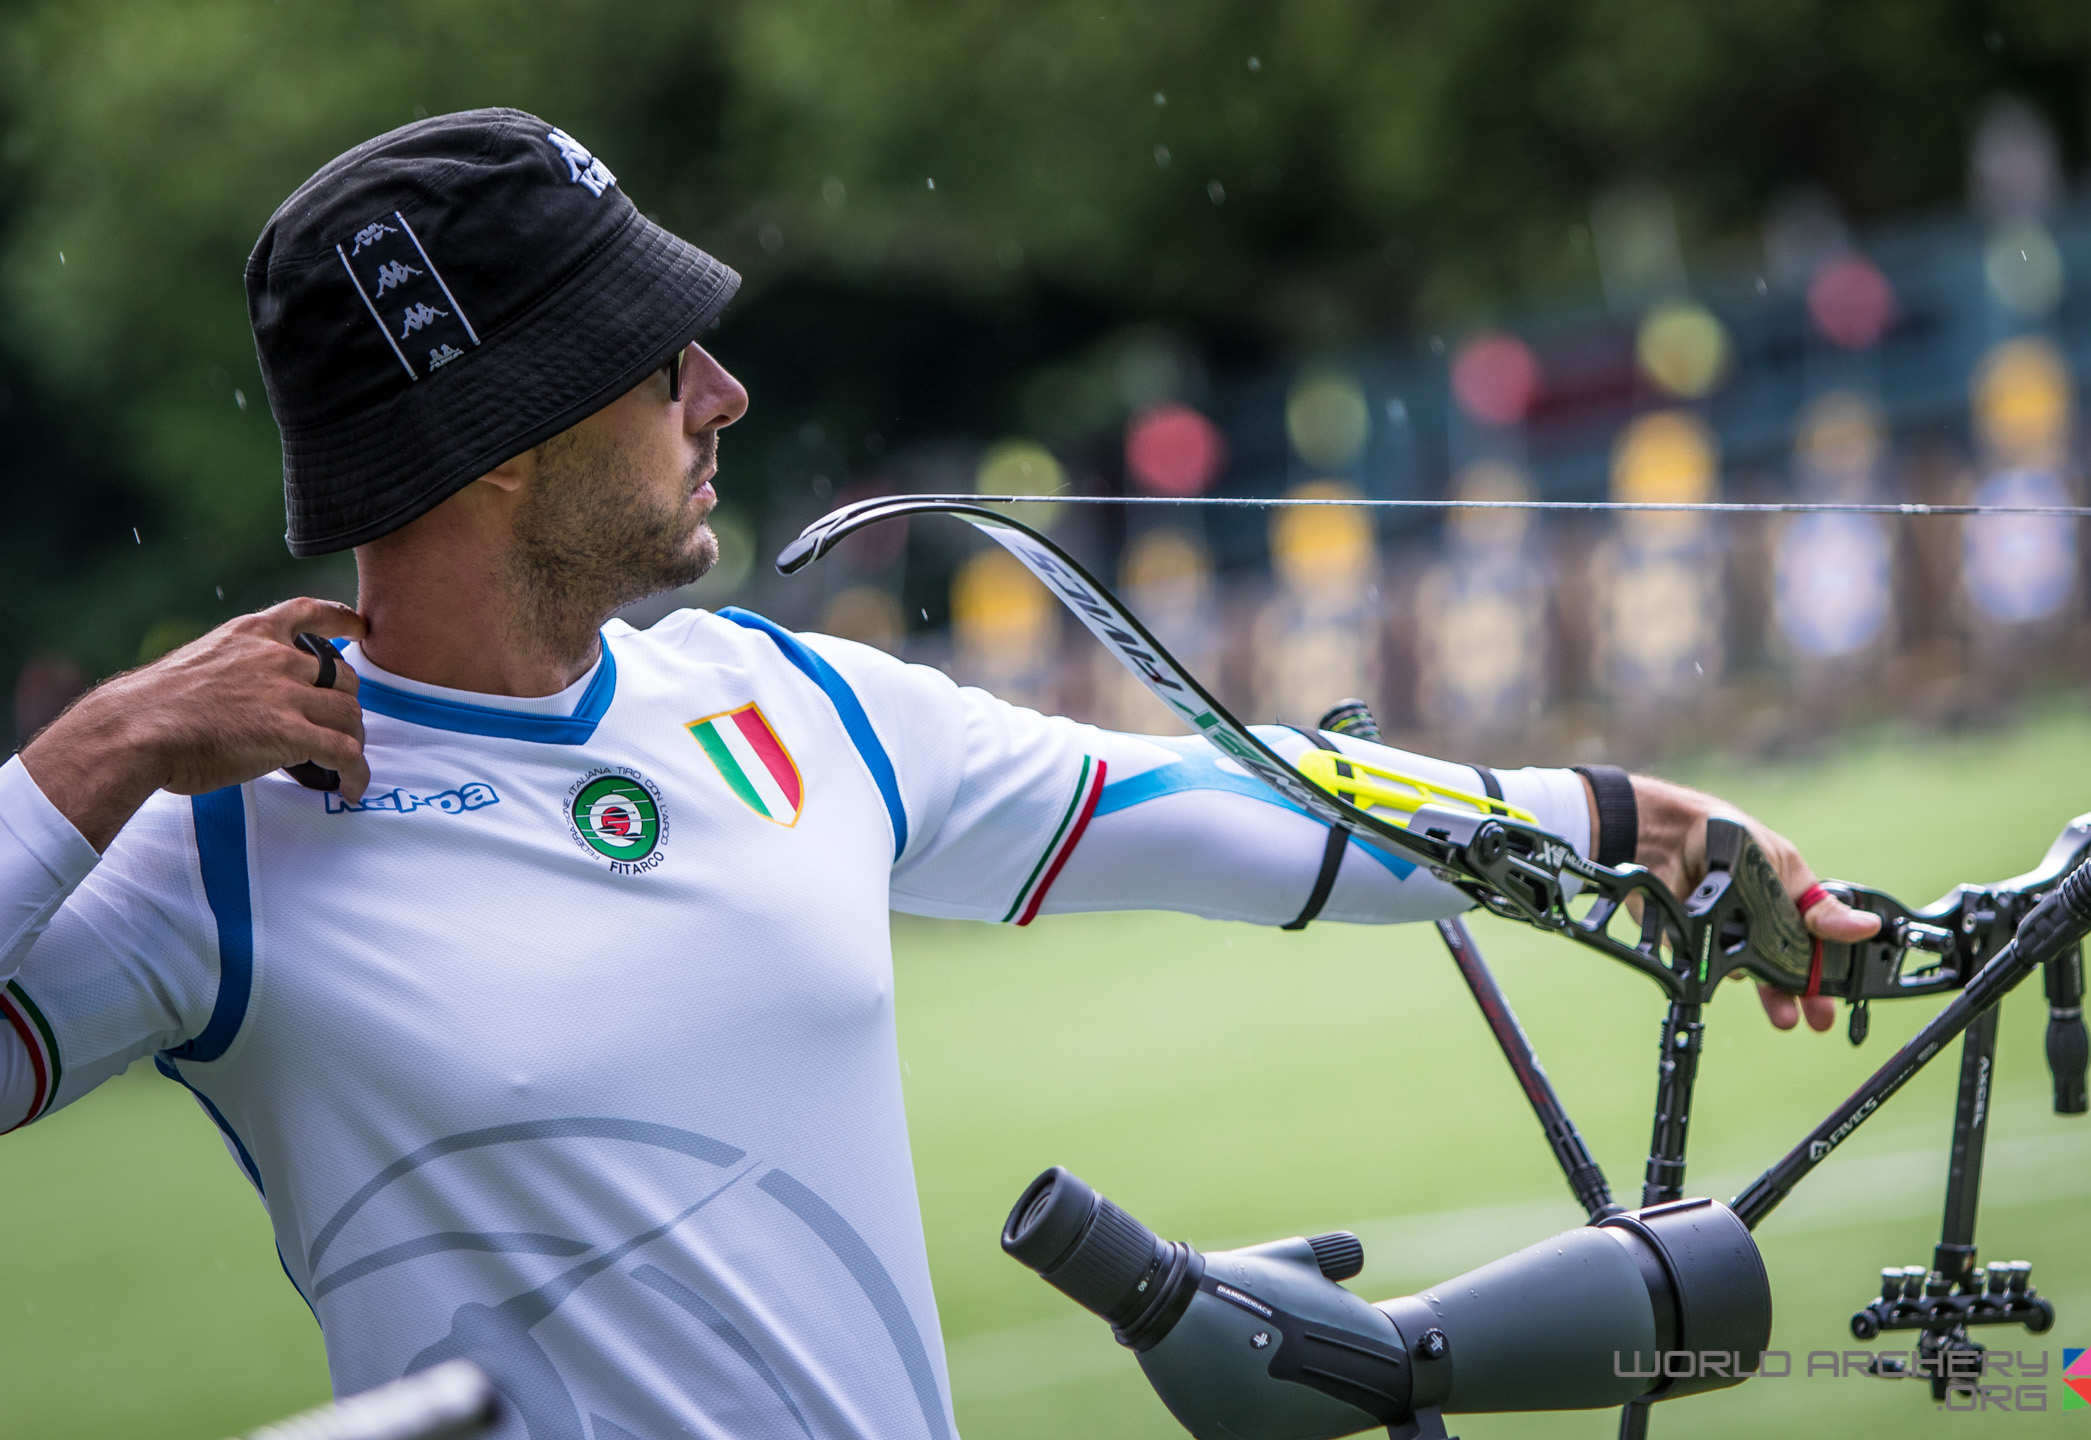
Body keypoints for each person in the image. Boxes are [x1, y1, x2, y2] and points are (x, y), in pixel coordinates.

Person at [0, 111, 1878, 1440]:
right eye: (655, 361)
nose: (719, 391)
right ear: (494, 442)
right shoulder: (213, 837)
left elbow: (1247, 810)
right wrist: (92, 759)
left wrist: (1637, 827)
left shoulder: (788, 706)